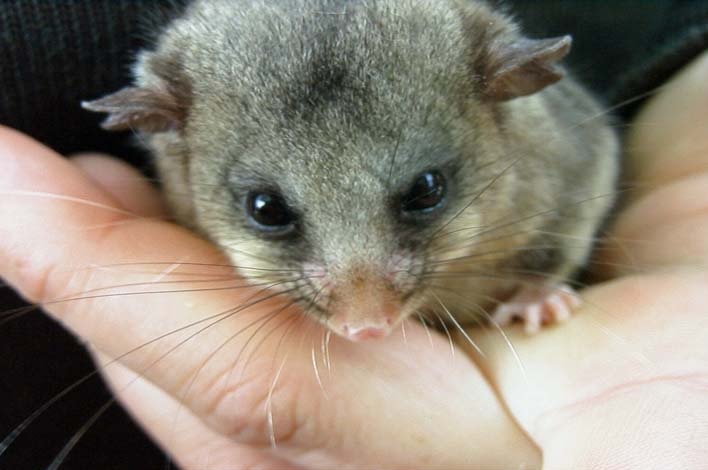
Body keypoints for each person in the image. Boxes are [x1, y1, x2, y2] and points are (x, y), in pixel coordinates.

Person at [1, 2, 707, 468]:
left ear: (502, 95)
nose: (366, 314)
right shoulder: (191, 102)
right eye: (271, 212)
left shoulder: (522, 118)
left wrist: (565, 263)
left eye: (422, 195)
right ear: (161, 127)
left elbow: (594, 147)